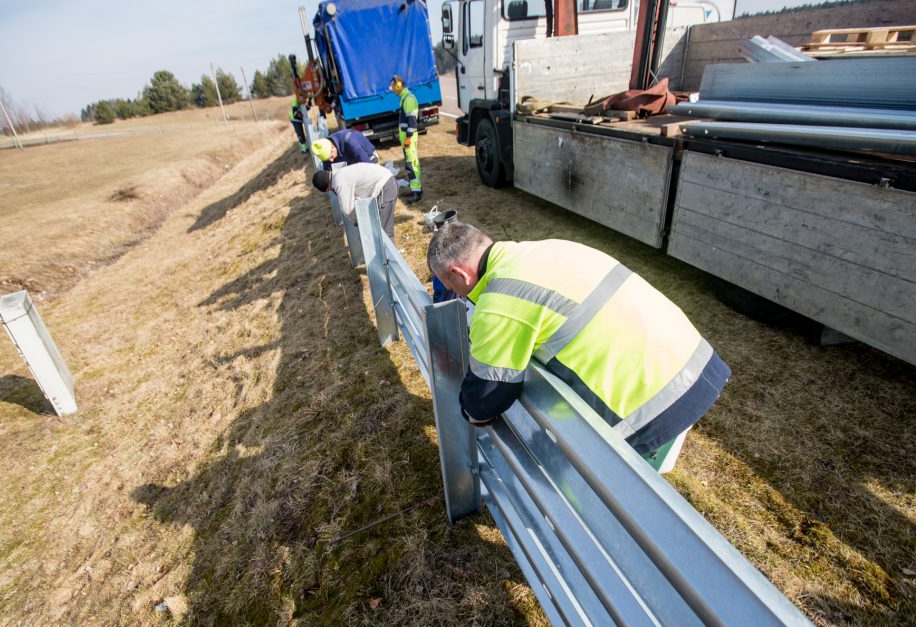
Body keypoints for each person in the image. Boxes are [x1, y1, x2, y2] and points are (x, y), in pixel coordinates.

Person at [426, 221, 731, 466]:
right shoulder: (547, 248)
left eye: (451, 286)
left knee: (614, 501)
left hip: (656, 400)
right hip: (693, 358)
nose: (459, 296)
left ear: (457, 273)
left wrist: (466, 407)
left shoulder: (499, 300)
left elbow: (484, 401)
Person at [312, 163, 397, 238]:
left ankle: (389, 256)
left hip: (385, 186)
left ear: (327, 187)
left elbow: (347, 210)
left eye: (329, 190)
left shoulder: (339, 182)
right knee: (379, 229)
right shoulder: (339, 174)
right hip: (385, 182)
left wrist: (358, 222)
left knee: (384, 232)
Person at [389, 75, 422, 204]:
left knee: (411, 165)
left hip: (409, 139)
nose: (391, 89)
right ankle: (416, 189)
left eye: (393, 86)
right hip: (407, 140)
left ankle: (416, 193)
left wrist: (408, 137)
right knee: (411, 164)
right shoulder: (404, 98)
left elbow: (412, 122)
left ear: (399, 85)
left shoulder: (408, 99)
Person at [311, 129, 380, 171]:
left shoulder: (350, 142)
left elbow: (369, 166)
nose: (331, 161)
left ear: (332, 147)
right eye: (328, 160)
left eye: (331, 157)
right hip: (351, 162)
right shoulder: (325, 150)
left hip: (368, 157)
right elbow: (329, 173)